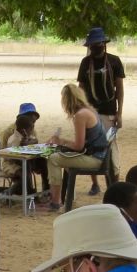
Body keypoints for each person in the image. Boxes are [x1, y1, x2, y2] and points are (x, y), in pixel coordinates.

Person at [44, 84, 111, 212]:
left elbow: (78, 146)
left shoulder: (80, 116)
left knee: (53, 159)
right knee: (61, 157)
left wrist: (61, 142)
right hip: (100, 156)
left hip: (95, 159)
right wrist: (63, 142)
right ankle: (65, 198)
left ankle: (55, 201)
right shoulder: (90, 110)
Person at [77, 26, 125, 193]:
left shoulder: (114, 61)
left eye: (98, 44)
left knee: (111, 146)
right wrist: (80, 110)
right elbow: (81, 87)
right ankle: (95, 183)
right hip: (90, 113)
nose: (95, 47)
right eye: (92, 45)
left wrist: (119, 113)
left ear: (104, 44)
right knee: (90, 146)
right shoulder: (85, 63)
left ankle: (114, 184)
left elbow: (119, 88)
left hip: (110, 112)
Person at [0, 102, 48, 195]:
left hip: (28, 159)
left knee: (44, 161)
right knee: (24, 170)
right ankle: (21, 191)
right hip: (11, 162)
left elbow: (34, 143)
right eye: (31, 121)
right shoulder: (9, 133)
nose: (33, 125)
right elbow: (6, 154)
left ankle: (47, 190)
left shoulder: (31, 130)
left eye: (34, 122)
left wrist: (33, 142)